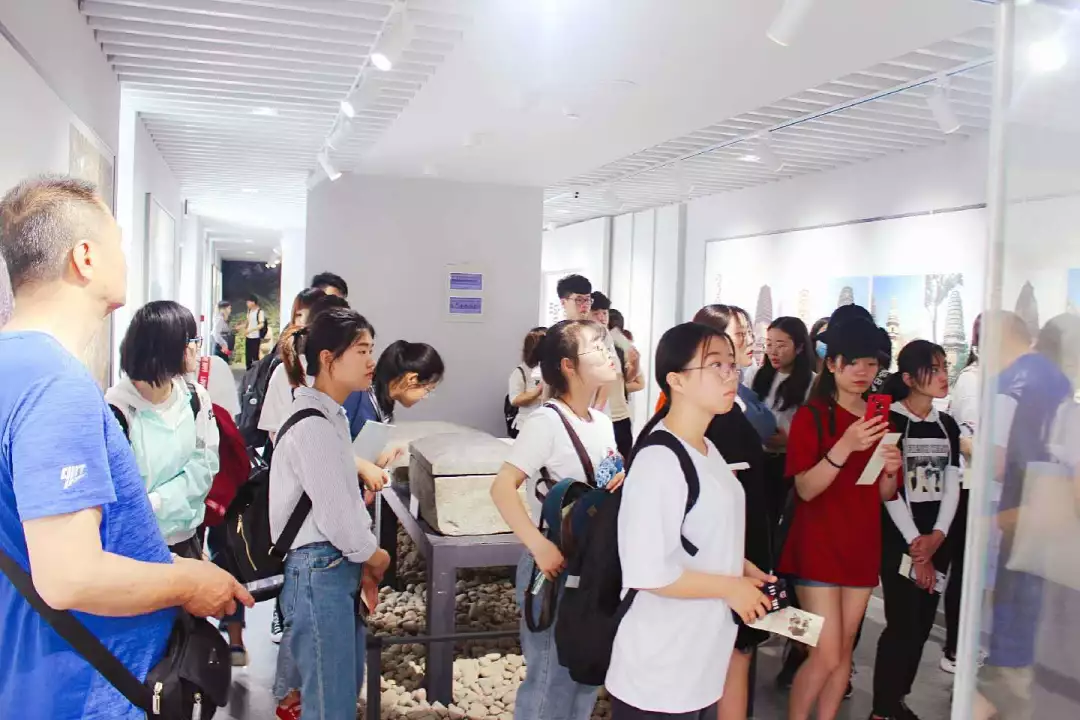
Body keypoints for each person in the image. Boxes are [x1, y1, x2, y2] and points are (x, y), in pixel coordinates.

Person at [0, 176, 252, 719]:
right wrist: (187, 580)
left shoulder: (13, 367)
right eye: (117, 241)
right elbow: (70, 576)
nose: (127, 258)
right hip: (85, 687)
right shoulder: (57, 384)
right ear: (85, 257)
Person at [607, 322, 774, 720]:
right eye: (715, 365)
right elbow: (648, 572)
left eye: (731, 365)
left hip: (700, 660)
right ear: (676, 380)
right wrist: (731, 587)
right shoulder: (659, 459)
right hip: (659, 669)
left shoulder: (707, 448)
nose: (730, 376)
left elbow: (703, 537)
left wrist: (743, 569)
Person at [490, 319, 625, 720]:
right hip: (555, 561)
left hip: (594, 560)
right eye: (596, 348)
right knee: (550, 676)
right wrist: (538, 546)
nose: (608, 354)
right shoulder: (546, 422)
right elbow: (502, 487)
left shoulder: (602, 422)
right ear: (568, 365)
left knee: (586, 670)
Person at [271, 305, 391, 720]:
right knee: (330, 704)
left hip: (331, 568)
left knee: (337, 693)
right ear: (328, 358)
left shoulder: (330, 415)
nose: (371, 360)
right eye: (361, 350)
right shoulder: (314, 424)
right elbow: (337, 514)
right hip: (318, 570)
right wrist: (374, 555)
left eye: (371, 349)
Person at [780, 312, 902, 720]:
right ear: (831, 364)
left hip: (861, 544)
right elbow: (806, 489)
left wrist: (890, 469)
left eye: (871, 363)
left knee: (845, 648)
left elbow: (882, 493)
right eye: (852, 363)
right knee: (826, 652)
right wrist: (846, 445)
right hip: (816, 546)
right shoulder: (812, 416)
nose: (863, 372)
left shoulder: (880, 418)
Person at [870, 340, 962, 720]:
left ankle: (897, 700)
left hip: (937, 541)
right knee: (902, 623)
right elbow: (887, 491)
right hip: (900, 540)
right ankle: (882, 708)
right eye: (933, 369)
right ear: (908, 378)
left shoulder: (947, 424)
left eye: (944, 368)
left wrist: (937, 537)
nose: (943, 376)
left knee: (923, 623)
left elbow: (953, 482)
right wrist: (915, 545)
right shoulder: (889, 421)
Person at [105, 301, 220, 558]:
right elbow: (121, 494)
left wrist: (155, 501)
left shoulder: (195, 398)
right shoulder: (116, 411)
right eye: (192, 340)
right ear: (169, 347)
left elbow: (205, 466)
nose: (197, 347)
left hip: (187, 540)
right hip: (136, 549)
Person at [747, 316, 816, 529]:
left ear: (799, 347)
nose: (773, 352)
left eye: (781, 345)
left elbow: (814, 431)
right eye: (769, 344)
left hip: (789, 463)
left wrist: (789, 441)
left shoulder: (812, 382)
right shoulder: (756, 375)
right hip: (757, 459)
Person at [942, 314, 981, 674]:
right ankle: (955, 648)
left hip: (982, 488)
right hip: (970, 487)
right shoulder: (972, 382)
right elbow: (966, 441)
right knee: (965, 568)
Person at [258, 288, 329, 444]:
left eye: (312, 314)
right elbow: (274, 430)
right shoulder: (285, 370)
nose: (304, 321)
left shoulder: (343, 369)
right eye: (299, 315)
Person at [342, 340, 445, 439]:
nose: (425, 397)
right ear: (411, 379)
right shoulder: (354, 395)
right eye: (428, 390)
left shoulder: (384, 408)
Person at [591, 291, 634, 458]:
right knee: (602, 464)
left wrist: (634, 362)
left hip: (620, 415)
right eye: (596, 313)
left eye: (605, 313)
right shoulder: (585, 342)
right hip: (600, 416)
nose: (602, 317)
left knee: (621, 464)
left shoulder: (615, 341)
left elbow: (625, 378)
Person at [509, 327, 547, 435]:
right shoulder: (521, 372)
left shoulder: (554, 369)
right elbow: (515, 400)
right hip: (526, 426)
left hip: (547, 426)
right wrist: (539, 390)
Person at [245, 294, 266, 369]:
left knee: (255, 356)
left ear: (253, 302)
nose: (247, 304)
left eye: (248, 302)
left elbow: (261, 324)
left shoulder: (260, 312)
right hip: (248, 336)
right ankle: (248, 371)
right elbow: (248, 322)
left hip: (255, 337)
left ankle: (256, 371)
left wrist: (251, 330)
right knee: (248, 356)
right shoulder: (249, 311)